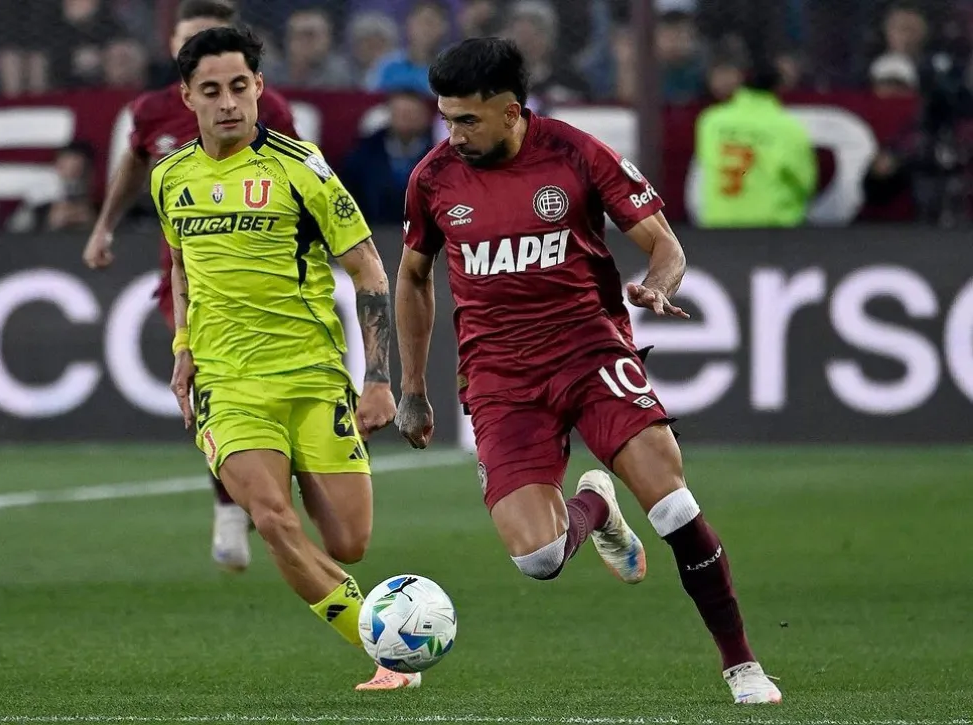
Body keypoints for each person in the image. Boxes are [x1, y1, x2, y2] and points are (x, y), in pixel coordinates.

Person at [394, 37, 782, 705]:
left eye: (467, 120)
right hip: (501, 380)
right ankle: (595, 503)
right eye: (445, 117)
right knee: (537, 559)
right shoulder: (433, 179)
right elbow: (413, 275)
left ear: (512, 112)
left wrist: (658, 283)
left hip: (590, 352)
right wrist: (411, 390)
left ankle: (742, 664)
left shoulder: (575, 152)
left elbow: (664, 242)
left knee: (672, 501)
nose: (451, 135)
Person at [149, 24, 420, 692]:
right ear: (187, 96)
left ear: (259, 88)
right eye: (210, 91)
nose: (227, 103)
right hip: (230, 385)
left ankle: (369, 618)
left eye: (239, 86)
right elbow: (182, 268)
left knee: (349, 543)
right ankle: (384, 648)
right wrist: (184, 349)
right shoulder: (170, 178)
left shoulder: (302, 168)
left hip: (311, 378)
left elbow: (370, 271)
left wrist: (379, 379)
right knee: (272, 517)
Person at [82, 0, 299, 573]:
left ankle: (263, 485)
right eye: (186, 41)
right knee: (209, 377)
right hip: (185, 280)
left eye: (206, 38)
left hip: (265, 284)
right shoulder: (153, 109)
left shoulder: (266, 107)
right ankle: (229, 503)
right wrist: (104, 226)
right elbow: (132, 163)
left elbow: (304, 176)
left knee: (263, 389)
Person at [694, 63, 817, 228]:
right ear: (779, 86)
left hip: (718, 224)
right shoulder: (788, 128)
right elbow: (805, 182)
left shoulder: (710, 121)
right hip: (771, 227)